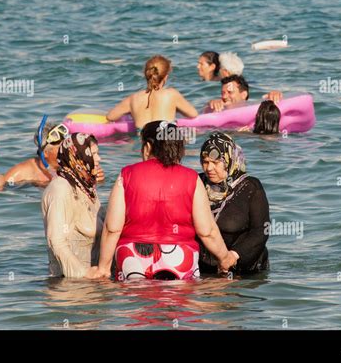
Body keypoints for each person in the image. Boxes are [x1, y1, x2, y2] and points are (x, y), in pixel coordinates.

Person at [93, 120, 238, 281]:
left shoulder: (126, 175)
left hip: (132, 258)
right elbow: (207, 231)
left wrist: (103, 268)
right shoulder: (191, 178)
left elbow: (112, 228)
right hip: (180, 258)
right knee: (180, 302)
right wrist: (224, 258)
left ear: (147, 147)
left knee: (136, 303)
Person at [198, 132, 270, 274]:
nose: (209, 168)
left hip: (245, 270)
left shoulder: (251, 187)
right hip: (206, 270)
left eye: (215, 162)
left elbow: (260, 231)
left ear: (229, 160)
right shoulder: (197, 183)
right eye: (205, 162)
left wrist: (233, 256)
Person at [41, 133, 104, 279]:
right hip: (70, 288)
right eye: (93, 154)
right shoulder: (60, 189)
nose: (99, 159)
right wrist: (84, 274)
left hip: (91, 284)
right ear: (80, 156)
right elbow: (55, 241)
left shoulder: (85, 187)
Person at [5, 117, 105, 186]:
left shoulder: (73, 165)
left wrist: (94, 180)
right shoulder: (21, 172)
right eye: (61, 148)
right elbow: (2, 193)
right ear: (45, 153)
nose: (67, 150)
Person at [106, 55, 198, 129]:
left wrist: (132, 112)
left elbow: (110, 116)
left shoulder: (133, 98)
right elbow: (193, 114)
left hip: (143, 143)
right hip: (166, 140)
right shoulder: (172, 94)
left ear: (145, 74)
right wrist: (175, 108)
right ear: (166, 77)